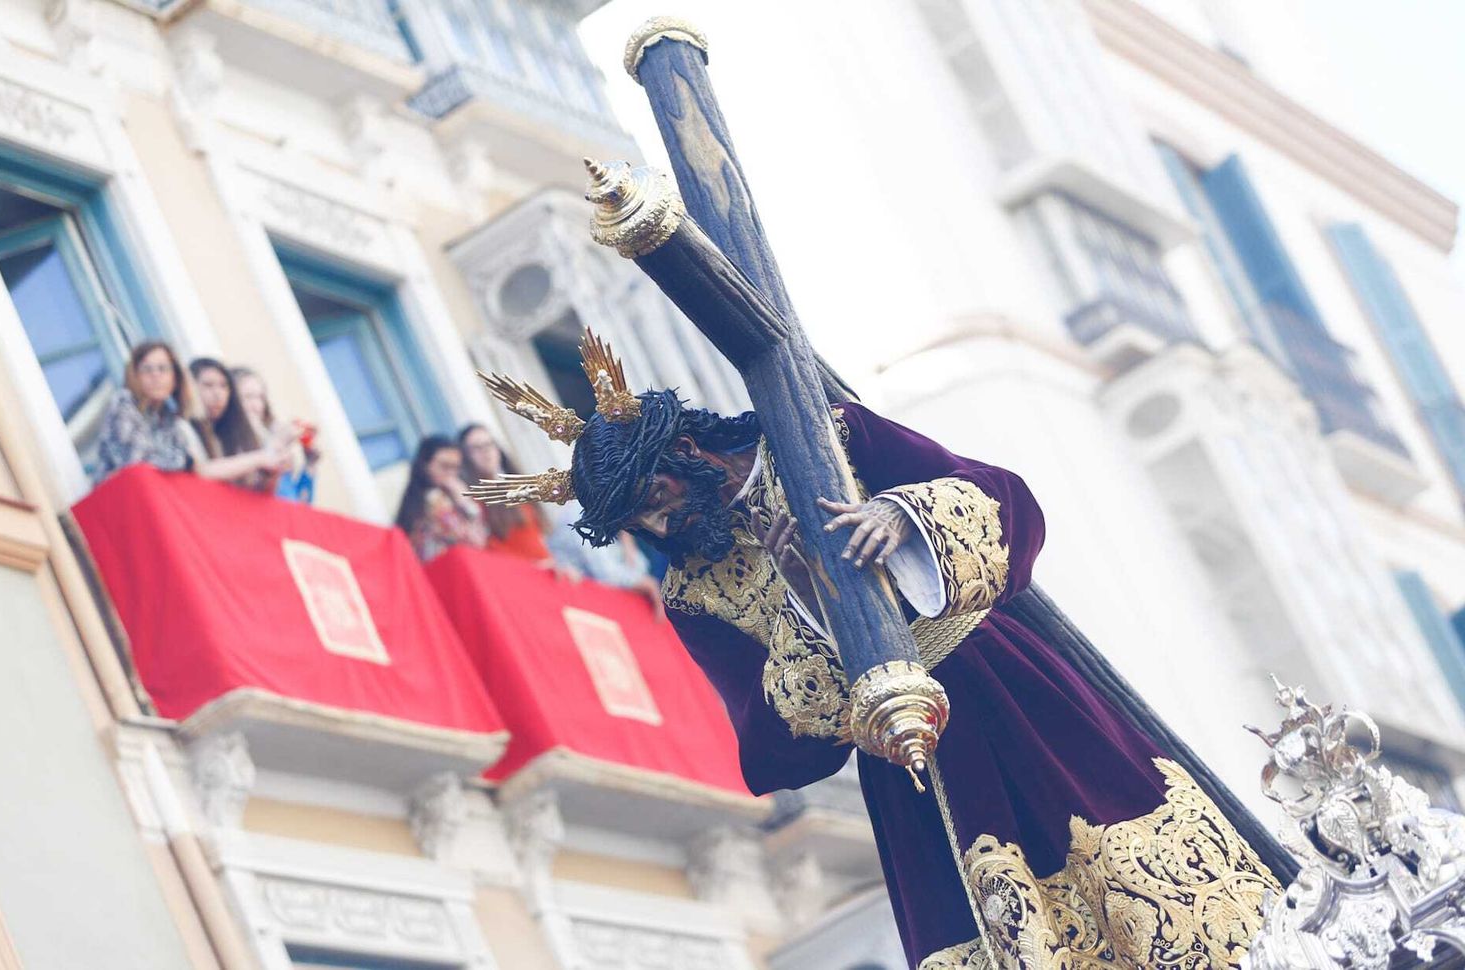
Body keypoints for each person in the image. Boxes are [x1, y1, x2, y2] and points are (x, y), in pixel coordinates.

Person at [468, 331, 1279, 970]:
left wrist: (900, 519)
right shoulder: (693, 592)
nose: (658, 528)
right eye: (636, 524)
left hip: (1007, 688)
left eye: (654, 500)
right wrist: (806, 609)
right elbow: (772, 750)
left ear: (687, 452)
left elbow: (1008, 503)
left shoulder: (826, 434)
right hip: (915, 765)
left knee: (1158, 897)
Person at [93, 341, 286, 487]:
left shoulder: (169, 416)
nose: (155, 376)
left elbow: (181, 465)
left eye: (163, 369)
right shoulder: (124, 401)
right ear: (134, 375)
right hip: (118, 499)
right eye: (147, 369)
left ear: (175, 378)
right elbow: (136, 460)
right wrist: (185, 462)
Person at [189, 358, 283, 493]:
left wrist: (272, 474)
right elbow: (201, 472)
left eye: (224, 386)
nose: (217, 394)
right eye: (208, 385)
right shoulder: (183, 427)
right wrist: (261, 457)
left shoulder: (231, 431)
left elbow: (255, 494)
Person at [234, 366, 318, 502]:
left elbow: (298, 505)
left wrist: (310, 464)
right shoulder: (232, 444)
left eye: (260, 397)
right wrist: (276, 443)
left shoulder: (272, 439)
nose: (256, 405)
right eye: (248, 397)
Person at [396, 436, 487, 562]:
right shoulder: (433, 500)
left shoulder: (423, 499)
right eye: (444, 466)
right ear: (425, 465)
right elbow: (476, 541)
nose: (451, 474)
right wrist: (465, 502)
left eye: (455, 467)